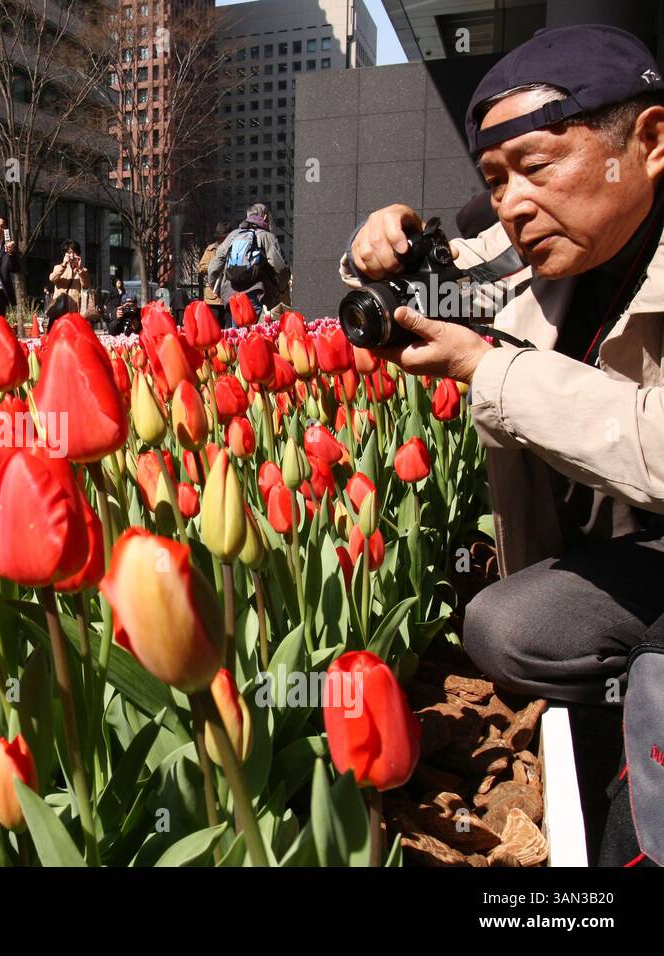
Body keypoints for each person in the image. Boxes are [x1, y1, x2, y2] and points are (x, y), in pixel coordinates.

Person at [337, 24, 664, 716]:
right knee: (509, 628)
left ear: (650, 142)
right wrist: (382, 253)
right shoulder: (545, 241)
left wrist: (490, 370)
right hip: (641, 549)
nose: (511, 205)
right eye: (494, 180)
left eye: (536, 166)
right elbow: (450, 275)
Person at [209, 202, 289, 318]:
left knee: (237, 334)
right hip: (256, 294)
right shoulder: (266, 236)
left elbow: (214, 265)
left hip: (231, 294)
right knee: (254, 333)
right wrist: (281, 288)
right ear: (265, 216)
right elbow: (281, 268)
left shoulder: (233, 235)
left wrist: (216, 289)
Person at [197, 221, 232, 326]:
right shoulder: (211, 249)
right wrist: (215, 268)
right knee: (214, 328)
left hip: (230, 294)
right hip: (213, 297)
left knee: (230, 330)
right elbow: (202, 267)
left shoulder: (235, 248)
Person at [48, 239, 92, 313]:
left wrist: (80, 269)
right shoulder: (58, 267)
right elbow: (52, 279)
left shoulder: (83, 271)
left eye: (74, 252)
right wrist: (63, 265)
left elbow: (86, 286)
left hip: (73, 310)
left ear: (78, 254)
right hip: (58, 308)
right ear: (64, 254)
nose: (72, 256)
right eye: (69, 252)